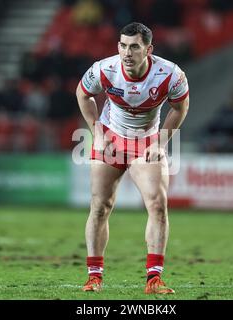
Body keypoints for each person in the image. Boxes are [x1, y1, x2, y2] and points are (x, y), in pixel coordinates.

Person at [75, 22, 189, 294]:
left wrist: (161, 142)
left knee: (158, 205)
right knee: (100, 206)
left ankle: (154, 279)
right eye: (123, 45)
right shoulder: (105, 69)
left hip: (147, 141)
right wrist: (98, 132)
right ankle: (94, 277)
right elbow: (83, 94)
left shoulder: (170, 74)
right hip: (111, 138)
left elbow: (181, 107)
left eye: (134, 47)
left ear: (148, 50)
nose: (127, 52)